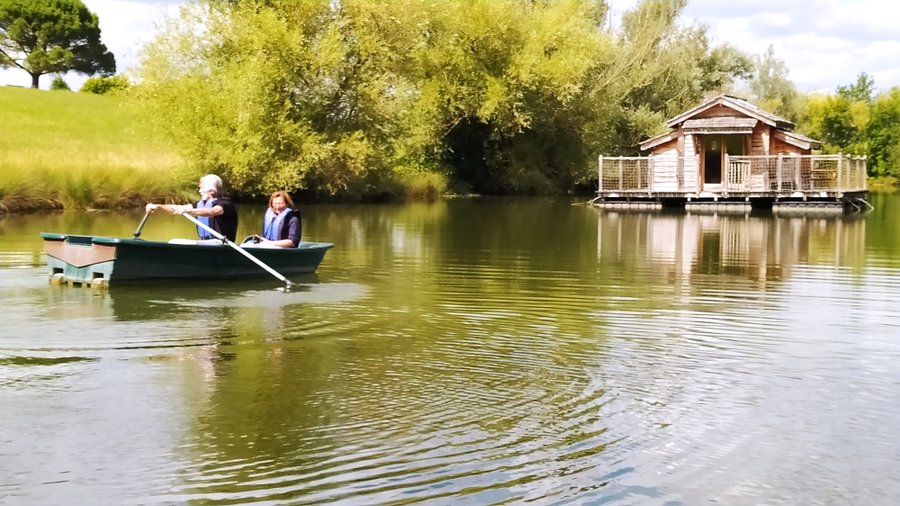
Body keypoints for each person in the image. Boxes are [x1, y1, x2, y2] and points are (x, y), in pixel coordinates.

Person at [145, 174, 239, 242]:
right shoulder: (199, 204)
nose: (200, 191)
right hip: (206, 243)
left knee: (176, 242)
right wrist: (158, 207)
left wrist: (189, 211)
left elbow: (212, 211)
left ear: (210, 189)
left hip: (222, 243)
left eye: (201, 188)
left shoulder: (225, 203)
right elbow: (176, 208)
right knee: (175, 241)